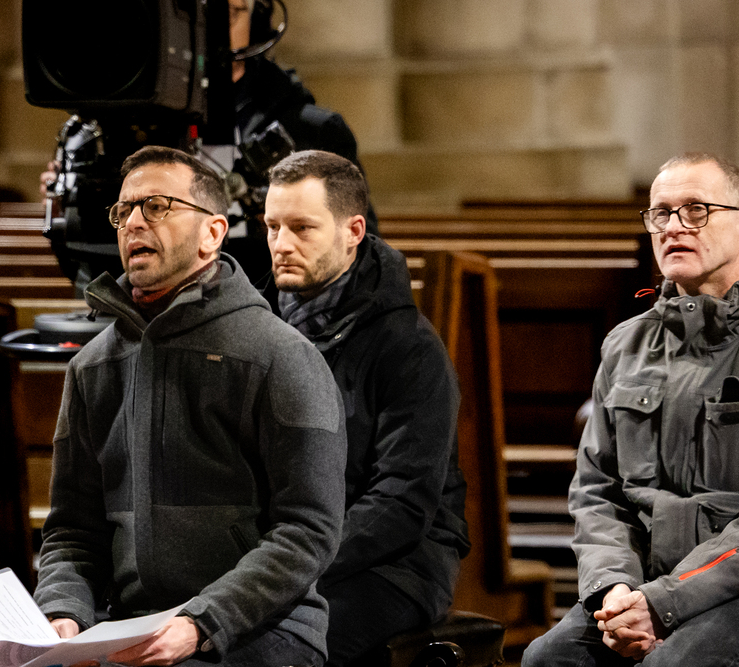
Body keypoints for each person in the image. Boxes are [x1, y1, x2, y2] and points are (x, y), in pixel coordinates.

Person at [33, 145, 348, 667]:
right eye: (124, 210)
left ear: (212, 233)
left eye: (157, 206)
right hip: (131, 627)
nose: (135, 222)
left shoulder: (281, 356)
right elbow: (72, 531)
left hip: (262, 630)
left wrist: (201, 623)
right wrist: (63, 611)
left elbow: (308, 530)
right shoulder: (92, 366)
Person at [522, 153, 739, 666]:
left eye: (696, 210)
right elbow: (597, 491)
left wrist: (664, 603)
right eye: (661, 213)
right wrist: (614, 588)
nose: (674, 226)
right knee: (549, 658)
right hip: (650, 579)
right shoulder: (626, 345)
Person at [262, 150, 470, 667]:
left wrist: (289, 562)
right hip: (283, 555)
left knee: (275, 650)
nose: (281, 244)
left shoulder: (409, 346)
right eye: (272, 227)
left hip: (394, 566)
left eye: (302, 228)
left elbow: (401, 502)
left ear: (353, 231)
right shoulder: (260, 331)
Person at [39, 0, 375, 289]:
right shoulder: (103, 129)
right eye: (190, 15)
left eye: (223, 13)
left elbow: (360, 253)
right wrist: (73, 201)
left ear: (258, 18)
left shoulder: (310, 130)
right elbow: (86, 267)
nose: (204, 29)